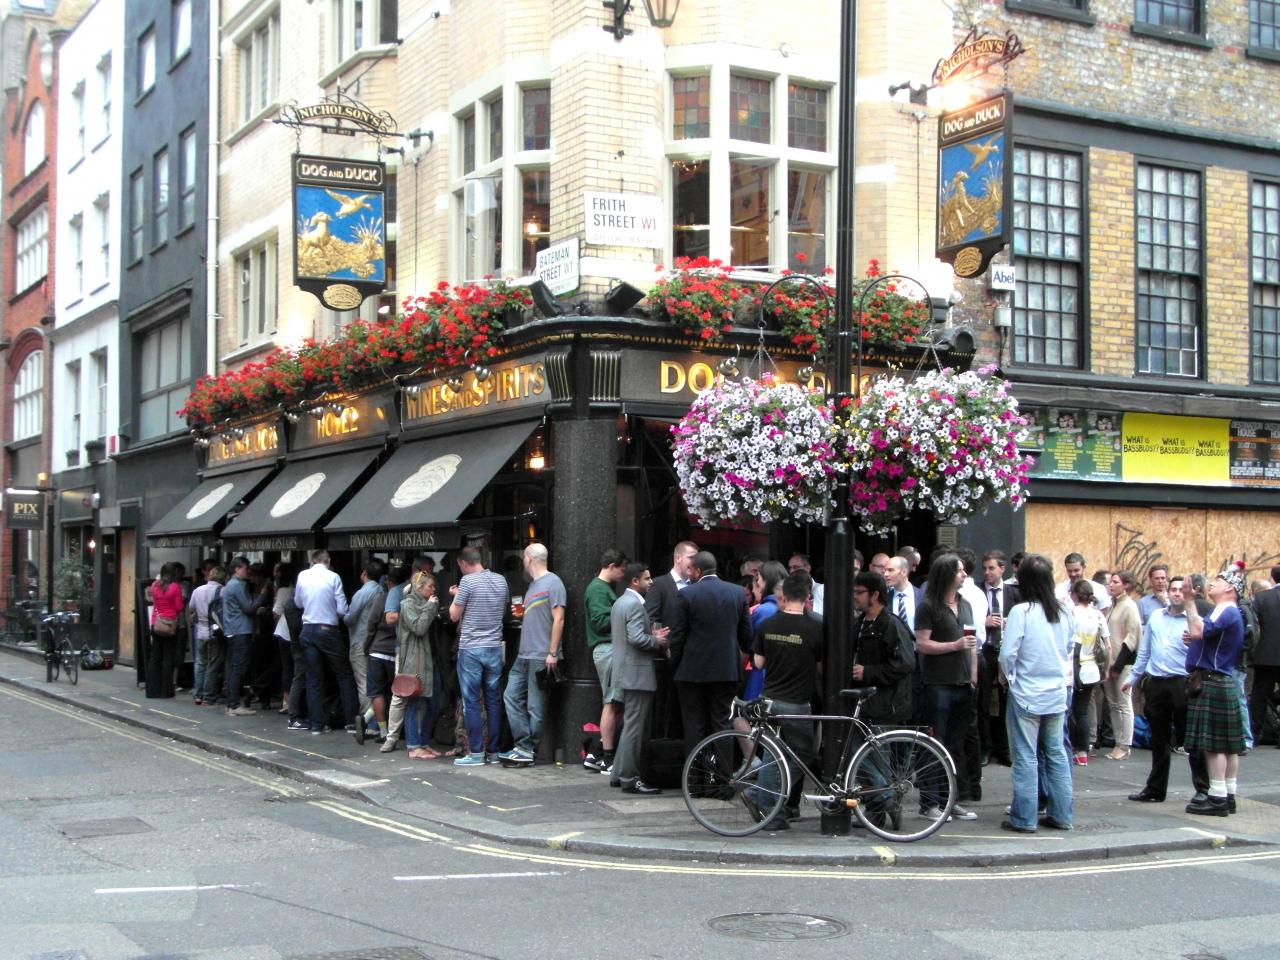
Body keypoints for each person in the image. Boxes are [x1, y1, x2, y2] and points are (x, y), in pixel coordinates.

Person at [999, 553, 1075, 833]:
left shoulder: (1022, 612)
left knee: (1026, 756)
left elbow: (1007, 655)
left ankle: (1024, 817)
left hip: (1026, 693)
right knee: (1056, 754)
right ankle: (1062, 815)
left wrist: (1010, 678)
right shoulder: (1064, 611)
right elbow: (1069, 648)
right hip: (1056, 693)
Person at [1123, 575, 1209, 803]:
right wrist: (1133, 677)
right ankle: (1155, 788)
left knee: (1189, 738)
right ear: (1167, 593)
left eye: (1181, 590)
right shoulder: (1155, 617)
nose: (1177, 593)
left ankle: (1203, 789)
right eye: (1173, 590)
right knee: (1158, 739)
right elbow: (1145, 650)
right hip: (1157, 682)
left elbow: (1205, 651)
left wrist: (1195, 642)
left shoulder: (1193, 620)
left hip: (1182, 682)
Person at [752, 571, 826, 827]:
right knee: (802, 755)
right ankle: (766, 803)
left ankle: (761, 799)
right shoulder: (815, 627)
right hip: (796, 703)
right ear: (807, 596)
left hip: (769, 699)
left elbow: (758, 662)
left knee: (773, 756)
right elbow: (820, 668)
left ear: (784, 596)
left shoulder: (768, 624)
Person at [668, 551, 753, 760]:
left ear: (697, 570)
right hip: (726, 671)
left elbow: (677, 636)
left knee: (694, 726)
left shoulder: (687, 594)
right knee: (722, 724)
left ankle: (695, 780)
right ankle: (722, 782)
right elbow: (746, 637)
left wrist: (674, 665)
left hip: (691, 671)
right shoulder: (737, 593)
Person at [914, 552, 978, 820]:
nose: (964, 574)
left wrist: (973, 675)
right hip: (937, 685)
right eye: (959, 570)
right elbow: (922, 644)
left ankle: (950, 801)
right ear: (947, 574)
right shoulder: (928, 606)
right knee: (934, 746)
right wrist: (954, 646)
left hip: (963, 684)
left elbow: (972, 643)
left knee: (955, 746)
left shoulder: (965, 604)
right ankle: (930, 803)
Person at [1181, 564, 1249, 816]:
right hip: (1222, 680)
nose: (1212, 583)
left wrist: (1189, 600)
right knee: (1229, 746)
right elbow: (1202, 634)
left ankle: (1217, 798)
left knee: (1215, 746)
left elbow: (1198, 630)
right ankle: (1228, 795)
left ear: (1230, 588)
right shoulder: (1228, 612)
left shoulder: (1226, 610)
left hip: (1213, 680)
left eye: (1218, 581)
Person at [501, 543, 565, 765]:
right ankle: (524, 746)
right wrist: (521, 614)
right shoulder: (533, 586)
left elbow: (560, 619)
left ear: (529, 559)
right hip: (524, 653)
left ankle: (526, 750)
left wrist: (552, 652)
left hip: (540, 654)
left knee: (535, 706)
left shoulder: (554, 583)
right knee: (510, 696)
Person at [610, 562, 670, 794]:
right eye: (647, 578)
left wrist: (649, 634)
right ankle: (630, 778)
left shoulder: (620, 603)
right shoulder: (635, 605)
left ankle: (619, 774)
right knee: (634, 728)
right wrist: (657, 641)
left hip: (625, 672)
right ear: (635, 581)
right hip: (637, 674)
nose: (651, 582)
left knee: (628, 726)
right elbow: (636, 638)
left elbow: (628, 636)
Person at [448, 546, 510, 766]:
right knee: (494, 701)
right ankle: (493, 753)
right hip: (494, 647)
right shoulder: (501, 580)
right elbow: (501, 610)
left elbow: (454, 615)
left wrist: (456, 596)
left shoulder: (467, 582)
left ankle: (475, 753)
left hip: (471, 649)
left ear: (464, 563)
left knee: (471, 702)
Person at [294, 549, 357, 735]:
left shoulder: (302, 576)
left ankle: (317, 725)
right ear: (327, 561)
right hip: (328, 630)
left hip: (307, 629)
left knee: (313, 678)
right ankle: (351, 722)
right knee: (343, 674)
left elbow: (298, 602)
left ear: (313, 561)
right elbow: (342, 608)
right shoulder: (334, 577)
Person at [851, 570, 914, 726]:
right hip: (864, 704)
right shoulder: (859, 623)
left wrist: (867, 672)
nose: (855, 596)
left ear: (875, 595)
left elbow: (904, 664)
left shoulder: (892, 625)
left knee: (880, 749)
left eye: (860, 592)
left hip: (886, 706)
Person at [583, 549, 626, 774]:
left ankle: (597, 753)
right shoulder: (599, 589)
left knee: (615, 702)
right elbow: (600, 621)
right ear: (611, 565)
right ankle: (608, 758)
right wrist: (624, 613)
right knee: (612, 701)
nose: (623, 574)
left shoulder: (602, 589)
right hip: (607, 649)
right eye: (621, 569)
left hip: (608, 650)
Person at [978, 550, 1019, 766]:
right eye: (984, 568)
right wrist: (984, 622)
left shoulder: (1013, 593)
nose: (987, 573)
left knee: (1006, 703)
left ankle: (1005, 749)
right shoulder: (977, 591)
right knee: (983, 702)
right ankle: (985, 748)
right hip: (985, 651)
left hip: (1005, 651)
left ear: (1002, 569)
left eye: (991, 568)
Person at [399, 571, 441, 760]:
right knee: (414, 702)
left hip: (431, 660)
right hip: (415, 662)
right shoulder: (408, 604)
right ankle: (413, 746)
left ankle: (423, 742)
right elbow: (418, 627)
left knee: (433, 702)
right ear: (419, 587)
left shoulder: (427, 604)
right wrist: (431, 608)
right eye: (430, 586)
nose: (433, 589)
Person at [1068, 579, 1110, 765]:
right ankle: (1083, 752)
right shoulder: (1098, 615)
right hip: (1093, 668)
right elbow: (1107, 646)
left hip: (1074, 669)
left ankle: (1073, 748)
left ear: (1075, 594)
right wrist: (1106, 669)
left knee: (1072, 711)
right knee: (1083, 711)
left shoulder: (1071, 613)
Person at [1103, 570, 1141, 760]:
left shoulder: (1129, 606)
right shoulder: (1113, 606)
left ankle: (1124, 744)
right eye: (1110, 582)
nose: (1110, 585)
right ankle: (1119, 741)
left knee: (1123, 703)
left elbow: (1131, 638)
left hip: (1122, 664)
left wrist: (1118, 666)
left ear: (1125, 585)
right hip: (1110, 663)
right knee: (1113, 703)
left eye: (1115, 582)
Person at [344, 558, 385, 732]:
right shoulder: (382, 591)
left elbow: (350, 618)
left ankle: (368, 723)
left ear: (364, 574)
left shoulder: (363, 592)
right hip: (375, 643)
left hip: (360, 641)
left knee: (364, 684)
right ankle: (377, 722)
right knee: (375, 684)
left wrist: (342, 614)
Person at [374, 561, 411, 752]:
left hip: (423, 652)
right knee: (399, 693)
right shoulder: (398, 592)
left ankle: (416, 739)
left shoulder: (423, 593)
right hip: (402, 649)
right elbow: (389, 618)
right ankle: (391, 736)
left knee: (423, 695)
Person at [1249, 563, 1280, 749]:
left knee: (1259, 696)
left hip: (1265, 655)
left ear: (1272, 578)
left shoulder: (1261, 598)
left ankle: (1254, 735)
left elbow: (1254, 626)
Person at [188, 565, 226, 706]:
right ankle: (208, 696)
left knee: (201, 663)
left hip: (200, 631)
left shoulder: (198, 590)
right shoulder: (222, 591)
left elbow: (191, 608)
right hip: (215, 633)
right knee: (213, 664)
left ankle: (197, 694)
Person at [147, 563, 184, 699]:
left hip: (156, 623)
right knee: (168, 658)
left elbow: (154, 602)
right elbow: (179, 607)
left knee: (155, 657)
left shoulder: (154, 586)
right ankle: (165, 691)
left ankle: (152, 690)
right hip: (169, 626)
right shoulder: (175, 587)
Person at [645, 540, 699, 627]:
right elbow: (649, 618)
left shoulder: (697, 585)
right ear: (678, 558)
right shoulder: (659, 585)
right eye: (691, 558)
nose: (695, 563)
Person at [271, 564, 299, 718]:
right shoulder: (296, 591)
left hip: (284, 631)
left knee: (287, 667)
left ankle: (287, 701)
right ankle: (293, 702)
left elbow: (276, 613)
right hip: (294, 633)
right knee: (295, 668)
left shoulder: (283, 591)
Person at [884, 556, 924, 631]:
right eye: (885, 570)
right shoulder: (884, 599)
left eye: (890, 570)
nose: (885, 574)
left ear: (904, 572)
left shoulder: (923, 596)